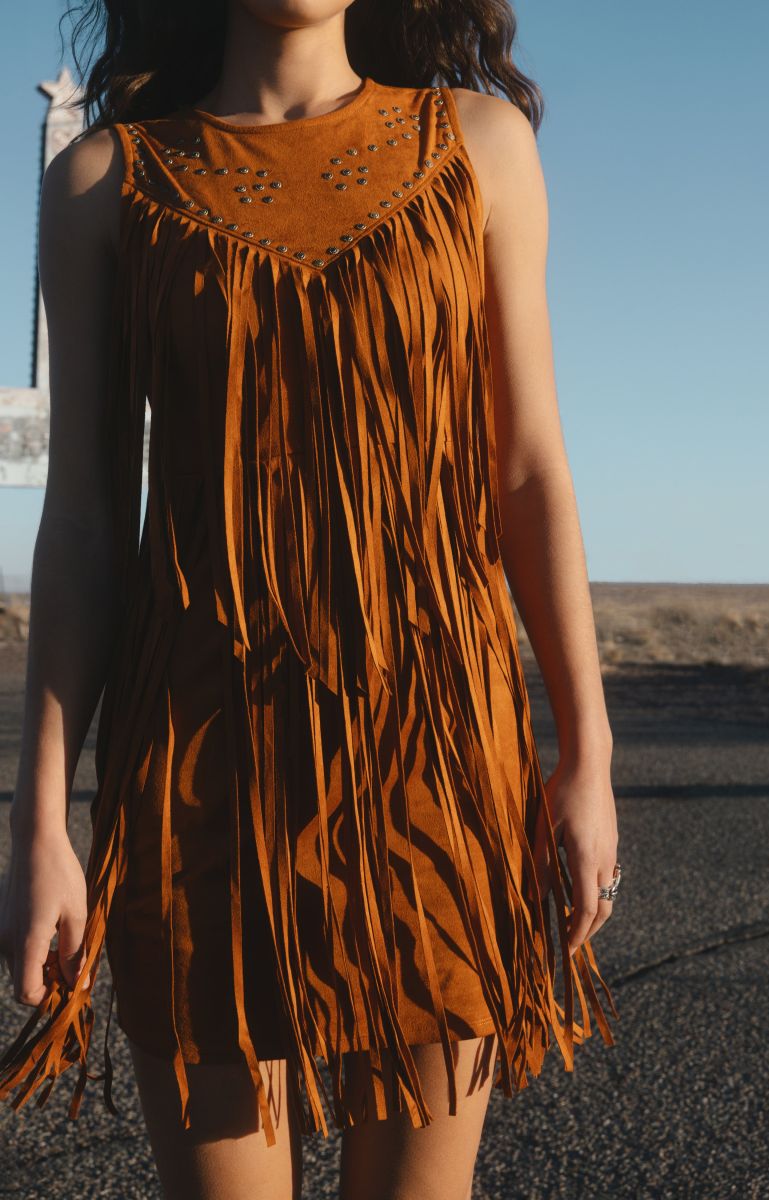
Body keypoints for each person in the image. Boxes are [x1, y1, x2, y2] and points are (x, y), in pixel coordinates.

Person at [0, 2, 622, 1197]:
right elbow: (82, 519)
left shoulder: (478, 144)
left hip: (435, 753)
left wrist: (584, 754)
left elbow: (529, 468)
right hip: (197, 771)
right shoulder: (102, 182)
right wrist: (42, 820)